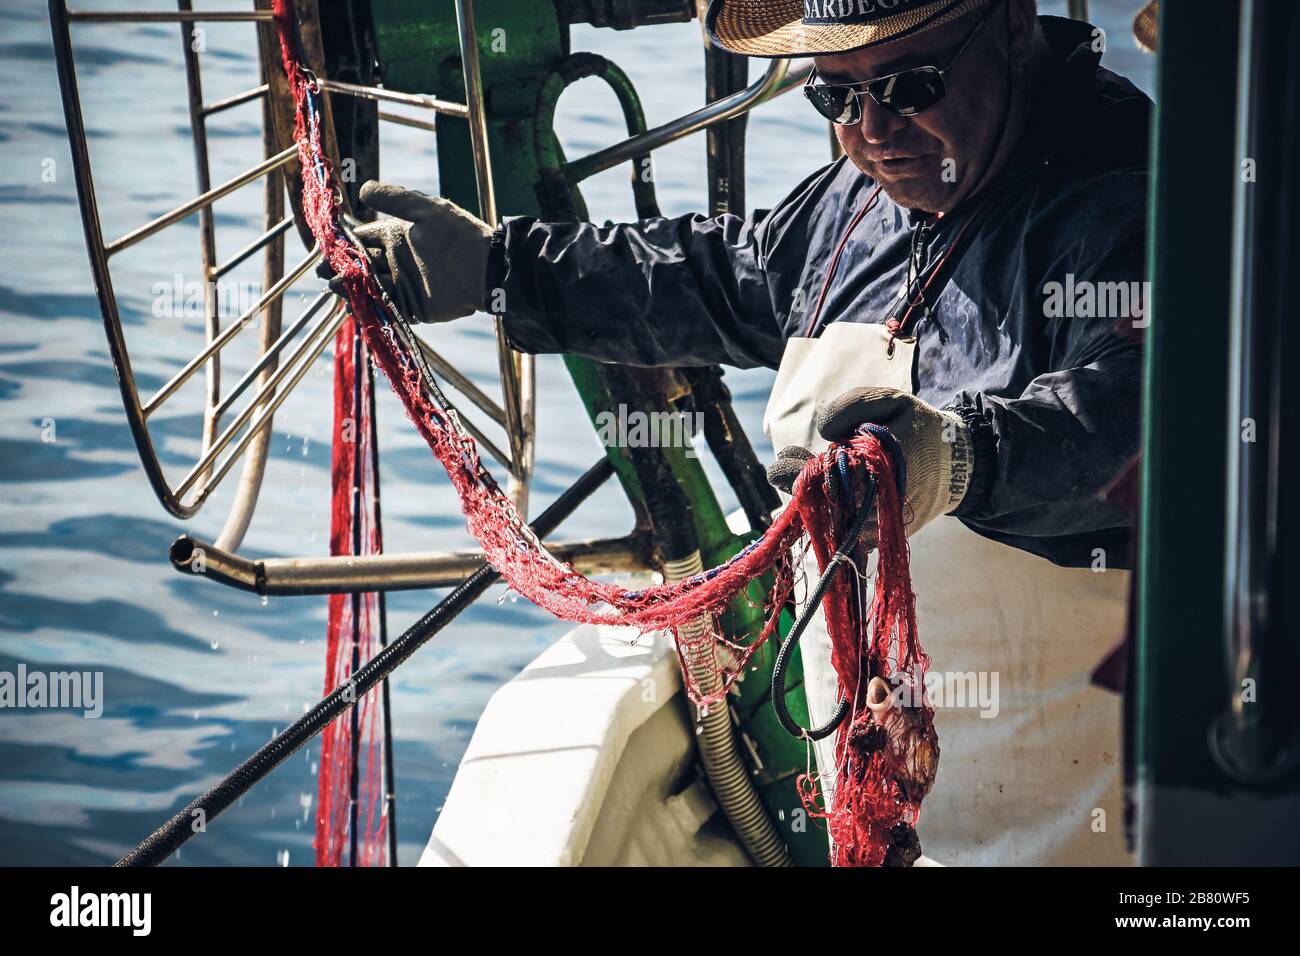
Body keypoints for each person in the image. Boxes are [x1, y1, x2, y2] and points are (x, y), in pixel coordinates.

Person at [340, 0, 1150, 865]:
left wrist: (959, 459)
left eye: (912, 86)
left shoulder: (1135, 200)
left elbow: (1140, 415)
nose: (873, 129)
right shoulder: (860, 203)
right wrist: (507, 273)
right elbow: (726, 276)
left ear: (1016, 26)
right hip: (899, 828)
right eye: (835, 98)